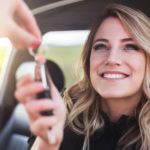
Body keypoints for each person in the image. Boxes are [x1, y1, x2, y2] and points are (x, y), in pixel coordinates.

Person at [15, 3, 150, 150]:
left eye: (130, 47)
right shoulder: (64, 113)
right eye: (101, 46)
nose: (112, 59)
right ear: (88, 60)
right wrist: (48, 142)